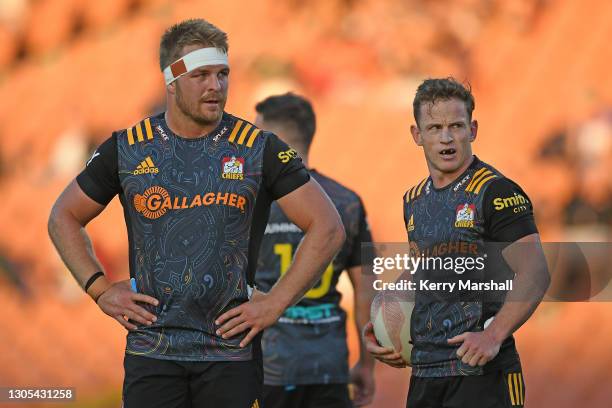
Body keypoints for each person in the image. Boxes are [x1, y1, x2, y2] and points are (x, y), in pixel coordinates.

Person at [47, 19, 345, 408]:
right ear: (171, 81)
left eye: (223, 74)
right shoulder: (129, 148)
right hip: (152, 353)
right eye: (202, 75)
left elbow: (328, 227)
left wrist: (275, 303)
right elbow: (63, 217)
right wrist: (99, 289)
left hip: (230, 356)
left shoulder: (258, 148)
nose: (216, 86)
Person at [363, 78, 550, 407]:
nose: (446, 137)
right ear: (417, 135)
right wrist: (383, 317)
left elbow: (535, 272)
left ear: (473, 129)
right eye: (434, 127)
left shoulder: (496, 192)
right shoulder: (414, 200)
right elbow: (425, 271)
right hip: (425, 373)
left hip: (482, 375)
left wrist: (492, 336)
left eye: (456, 126)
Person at [253, 93, 376, 408]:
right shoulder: (347, 202)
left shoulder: (251, 201)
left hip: (266, 368)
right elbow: (366, 293)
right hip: (328, 367)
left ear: (272, 140)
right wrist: (366, 364)